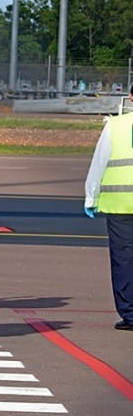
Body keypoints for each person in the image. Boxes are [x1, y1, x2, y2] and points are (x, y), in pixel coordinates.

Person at [84, 109, 133, 331]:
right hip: (120, 204)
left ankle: (130, 313)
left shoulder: (115, 126)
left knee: (123, 260)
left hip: (120, 204)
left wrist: (91, 197)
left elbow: (99, 163)